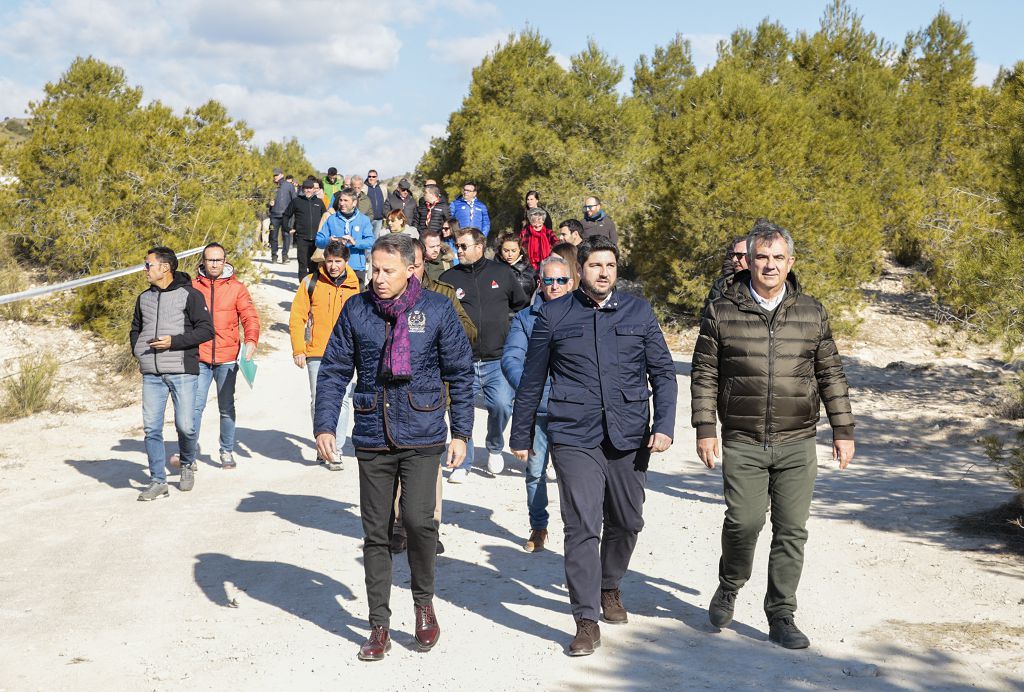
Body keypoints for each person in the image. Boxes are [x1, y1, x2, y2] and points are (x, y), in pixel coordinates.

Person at [509, 235, 677, 656]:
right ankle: (585, 619)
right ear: (580, 268)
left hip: (629, 433)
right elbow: (532, 379)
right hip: (573, 434)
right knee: (582, 524)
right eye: (596, 265)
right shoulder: (553, 314)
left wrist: (665, 424)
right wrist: (521, 434)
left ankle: (610, 586)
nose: (604, 273)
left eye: (611, 266)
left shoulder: (639, 311)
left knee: (627, 520)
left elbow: (663, 373)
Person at [691, 220, 855, 650]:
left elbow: (830, 372)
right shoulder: (722, 309)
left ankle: (781, 613)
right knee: (744, 522)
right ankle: (730, 584)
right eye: (761, 257)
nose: (769, 265)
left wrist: (843, 427)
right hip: (743, 439)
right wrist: (705, 427)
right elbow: (705, 372)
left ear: (790, 262)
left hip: (798, 439)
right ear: (748, 260)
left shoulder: (811, 311)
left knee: (791, 530)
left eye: (778, 258)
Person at [314, 233, 474, 661]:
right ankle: (378, 625)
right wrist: (325, 425)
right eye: (374, 270)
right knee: (377, 532)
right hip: (372, 434)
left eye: (387, 271)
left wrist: (461, 432)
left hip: (423, 432)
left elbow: (460, 373)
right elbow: (332, 371)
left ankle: (423, 604)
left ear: (411, 269)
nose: (378, 278)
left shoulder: (437, 309)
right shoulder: (357, 309)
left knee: (421, 524)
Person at [390, 240, 478, 555]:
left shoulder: (443, 295)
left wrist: (440, 327)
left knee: (428, 463)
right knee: (397, 459)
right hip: (394, 391)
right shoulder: (384, 293)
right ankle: (400, 525)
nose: (410, 271)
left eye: (414, 265)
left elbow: (470, 331)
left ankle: (429, 526)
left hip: (432, 390)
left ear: (422, 264)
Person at [441, 227, 529, 482]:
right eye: (457, 246)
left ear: (479, 247)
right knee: (460, 409)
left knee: (501, 405)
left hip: (497, 357)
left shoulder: (502, 273)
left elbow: (521, 306)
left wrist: (514, 337)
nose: (458, 250)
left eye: (463, 246)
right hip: (462, 360)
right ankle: (463, 463)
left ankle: (494, 446)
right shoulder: (449, 278)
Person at [502, 255, 574, 553]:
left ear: (571, 283)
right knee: (534, 471)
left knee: (574, 475)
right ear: (539, 283)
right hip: (539, 408)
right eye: (549, 280)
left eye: (561, 280)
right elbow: (511, 359)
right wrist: (532, 390)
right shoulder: (524, 319)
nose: (555, 286)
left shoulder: (586, 315)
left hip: (574, 410)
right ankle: (539, 526)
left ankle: (577, 531)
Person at [130, 246, 214, 501]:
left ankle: (187, 462)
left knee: (186, 426)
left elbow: (206, 330)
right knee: (151, 428)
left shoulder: (191, 295)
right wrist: (138, 349)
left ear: (165, 268)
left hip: (182, 371)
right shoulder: (143, 298)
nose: (145, 269)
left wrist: (173, 342)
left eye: (148, 265)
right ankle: (158, 481)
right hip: (152, 374)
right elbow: (135, 328)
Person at [289, 240, 362, 470]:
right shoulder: (310, 282)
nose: (333, 266)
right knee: (319, 400)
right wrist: (298, 349)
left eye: (338, 261)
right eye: (329, 261)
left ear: (346, 261)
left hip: (346, 352)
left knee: (343, 400)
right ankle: (323, 444)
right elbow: (297, 317)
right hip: (316, 352)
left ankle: (335, 449)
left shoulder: (355, 285)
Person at [191, 242, 261, 469]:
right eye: (210, 260)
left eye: (218, 260)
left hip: (228, 359)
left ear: (225, 261)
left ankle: (227, 451)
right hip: (199, 358)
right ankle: (189, 456)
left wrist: (251, 340)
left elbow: (250, 317)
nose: (214, 264)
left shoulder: (237, 288)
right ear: (203, 261)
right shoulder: (192, 287)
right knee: (194, 407)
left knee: (226, 407)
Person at [316, 187, 375, 285]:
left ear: (354, 202)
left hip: (356, 266)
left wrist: (355, 242)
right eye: (341, 200)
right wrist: (329, 241)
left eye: (346, 200)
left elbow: (371, 242)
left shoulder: (364, 220)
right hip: (335, 268)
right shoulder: (332, 219)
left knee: (357, 298)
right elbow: (318, 241)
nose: (342, 203)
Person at [282, 178, 328, 280]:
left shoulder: (319, 202)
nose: (308, 190)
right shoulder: (296, 201)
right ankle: (302, 287)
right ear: (303, 189)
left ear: (313, 189)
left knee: (314, 264)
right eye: (306, 188)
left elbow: (326, 217)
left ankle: (312, 287)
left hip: (317, 239)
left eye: (310, 188)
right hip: (302, 238)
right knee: (302, 263)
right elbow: (286, 215)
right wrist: (287, 228)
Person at [702, 235, 749, 317]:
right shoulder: (721, 285)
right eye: (732, 255)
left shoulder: (767, 282)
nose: (734, 260)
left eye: (739, 255)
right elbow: (708, 319)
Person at [496, 231, 537, 298]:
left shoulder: (529, 271)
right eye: (506, 251)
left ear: (519, 249)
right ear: (500, 250)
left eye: (513, 251)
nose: (510, 254)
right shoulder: (493, 269)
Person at [269, 168, 297, 263]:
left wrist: (292, 214)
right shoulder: (270, 187)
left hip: (286, 216)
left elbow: (294, 200)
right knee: (273, 236)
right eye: (274, 175)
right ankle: (274, 256)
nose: (275, 177)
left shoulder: (289, 186)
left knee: (286, 236)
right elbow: (265, 201)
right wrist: (268, 203)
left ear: (281, 175)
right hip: (274, 215)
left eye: (276, 175)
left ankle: (285, 256)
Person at [365, 169, 388, 236]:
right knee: (367, 237)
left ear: (377, 178)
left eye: (373, 176)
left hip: (379, 220)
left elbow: (387, 201)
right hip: (368, 219)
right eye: (369, 176)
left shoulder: (382, 188)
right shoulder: (364, 188)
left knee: (376, 239)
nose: (371, 178)